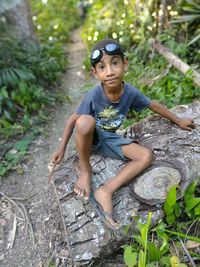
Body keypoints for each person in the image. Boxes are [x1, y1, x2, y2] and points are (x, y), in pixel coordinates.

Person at [51, 38, 194, 230]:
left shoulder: (130, 92)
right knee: (85, 121)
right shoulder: (94, 95)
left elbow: (153, 105)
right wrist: (61, 148)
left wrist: (178, 120)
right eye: (102, 67)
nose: (109, 71)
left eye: (115, 63)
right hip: (92, 137)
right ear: (95, 73)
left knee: (146, 156)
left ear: (125, 63)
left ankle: (106, 190)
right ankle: (85, 171)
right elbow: (72, 120)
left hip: (110, 139)